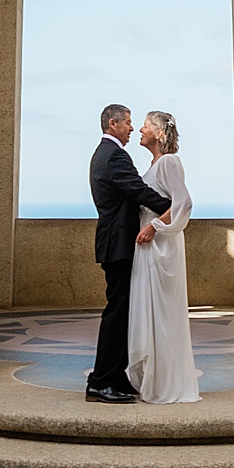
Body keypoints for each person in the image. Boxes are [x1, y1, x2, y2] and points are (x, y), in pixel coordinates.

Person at [85, 103, 170, 404]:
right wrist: (172, 209)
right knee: (117, 314)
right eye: (128, 123)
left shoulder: (103, 154)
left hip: (115, 243)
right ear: (112, 124)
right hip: (118, 245)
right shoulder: (114, 155)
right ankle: (100, 382)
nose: (132, 128)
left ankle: (115, 376)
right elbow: (137, 190)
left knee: (122, 312)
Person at [126, 111, 201, 404]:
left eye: (145, 126)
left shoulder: (169, 161)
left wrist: (155, 227)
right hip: (148, 243)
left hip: (161, 245)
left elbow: (183, 202)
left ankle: (166, 381)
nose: (139, 130)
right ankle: (152, 377)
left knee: (163, 313)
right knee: (150, 309)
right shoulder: (153, 165)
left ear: (158, 133)